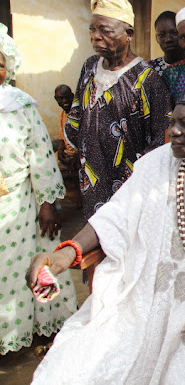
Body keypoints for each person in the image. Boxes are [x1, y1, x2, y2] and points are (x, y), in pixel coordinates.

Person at [28, 76, 185, 384]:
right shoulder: (155, 163)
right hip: (146, 291)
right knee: (86, 361)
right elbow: (114, 216)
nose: (173, 133)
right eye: (172, 123)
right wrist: (64, 255)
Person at [0, 23, 77, 356]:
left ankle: (39, 330)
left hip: (18, 206)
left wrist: (47, 203)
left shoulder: (20, 105)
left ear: (8, 66)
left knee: (28, 268)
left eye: (0, 61)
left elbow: (41, 157)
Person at [65, 0, 172, 221]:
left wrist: (137, 179)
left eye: (105, 30)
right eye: (92, 30)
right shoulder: (89, 67)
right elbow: (77, 115)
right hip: (92, 182)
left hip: (129, 189)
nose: (95, 37)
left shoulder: (147, 80)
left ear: (129, 34)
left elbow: (162, 139)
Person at [149, 10, 185, 76]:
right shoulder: (149, 69)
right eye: (162, 35)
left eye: (174, 33)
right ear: (157, 38)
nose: (168, 39)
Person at [53, 84, 79, 177]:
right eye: (61, 98)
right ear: (56, 99)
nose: (65, 101)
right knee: (48, 165)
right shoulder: (61, 115)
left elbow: (88, 139)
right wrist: (60, 150)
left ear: (72, 96)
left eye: (67, 97)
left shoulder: (79, 113)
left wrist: (78, 155)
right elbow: (61, 137)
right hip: (68, 153)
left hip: (82, 154)